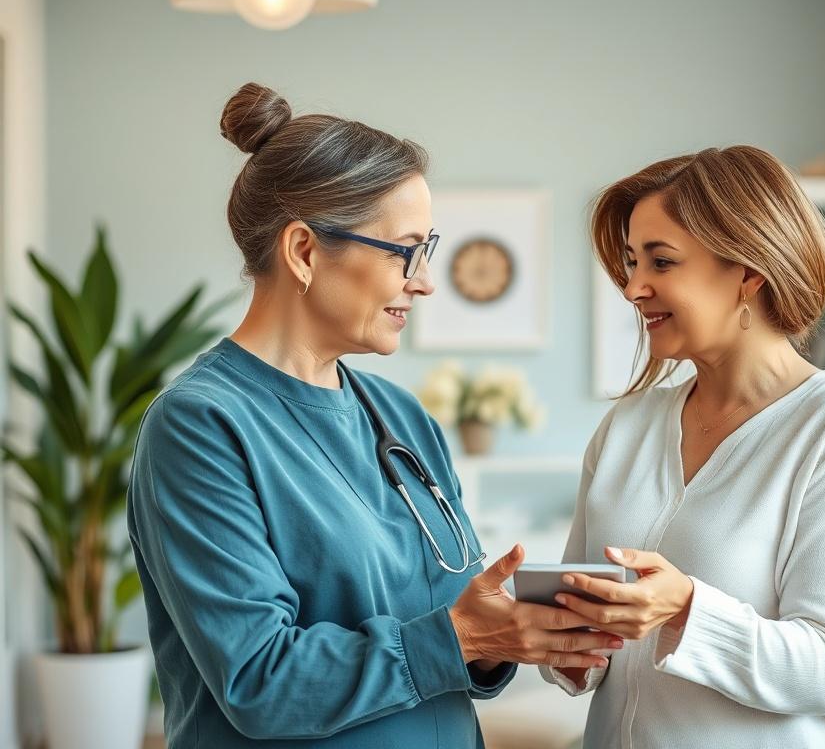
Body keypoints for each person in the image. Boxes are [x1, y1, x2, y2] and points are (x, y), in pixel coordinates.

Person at [126, 82, 622, 749]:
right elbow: (260, 681)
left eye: (429, 249)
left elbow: (461, 621)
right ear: (304, 252)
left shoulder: (400, 415)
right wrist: (464, 635)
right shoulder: (200, 427)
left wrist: (523, 627)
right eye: (405, 251)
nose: (424, 280)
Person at [541, 146, 825, 749]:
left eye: (661, 261)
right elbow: (580, 623)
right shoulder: (626, 428)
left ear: (748, 271)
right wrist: (569, 650)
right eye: (632, 262)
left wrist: (686, 608)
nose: (633, 287)